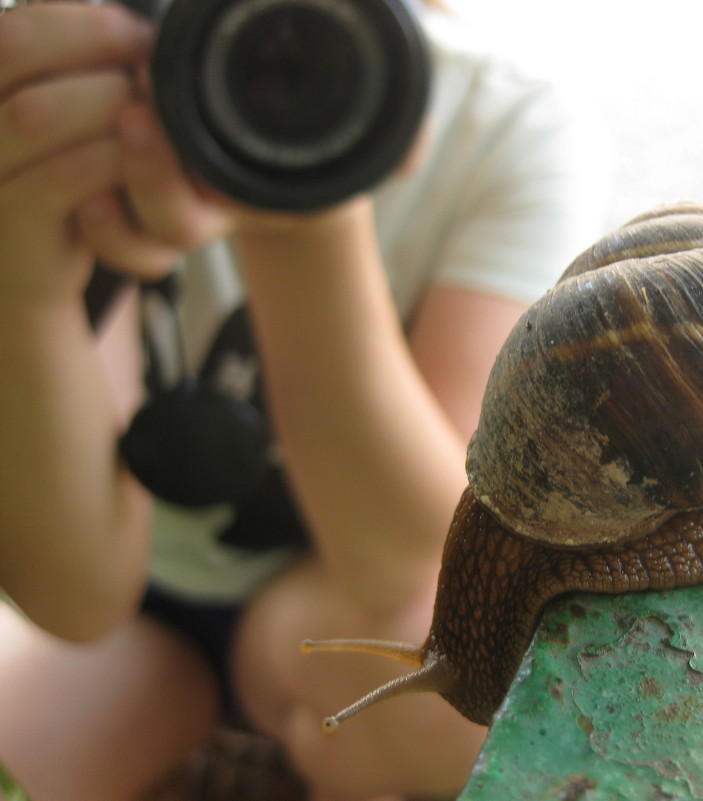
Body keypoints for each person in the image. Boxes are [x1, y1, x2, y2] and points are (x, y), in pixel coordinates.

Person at [0, 1, 612, 799]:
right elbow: (77, 599)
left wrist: (304, 219)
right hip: (126, 614)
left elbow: (418, 562)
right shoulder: (73, 88)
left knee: (469, 716)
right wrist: (22, 290)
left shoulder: (511, 125)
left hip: (332, 604)